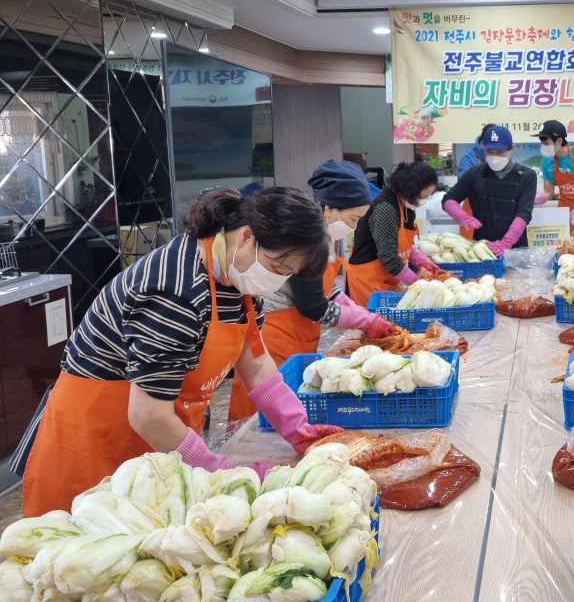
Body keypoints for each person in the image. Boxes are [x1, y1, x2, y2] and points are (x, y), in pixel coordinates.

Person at [19, 187, 344, 515]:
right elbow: (148, 415)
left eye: (288, 274)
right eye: (278, 267)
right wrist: (218, 471)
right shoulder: (177, 291)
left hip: (161, 443)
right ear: (246, 237)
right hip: (99, 443)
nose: (278, 280)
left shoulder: (237, 280)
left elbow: (257, 363)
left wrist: (297, 427)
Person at [227, 161, 395, 421]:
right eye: (354, 219)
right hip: (275, 336)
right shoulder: (305, 241)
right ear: (330, 208)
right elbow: (313, 305)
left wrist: (356, 310)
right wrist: (364, 320)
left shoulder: (326, 236)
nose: (354, 227)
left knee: (289, 415)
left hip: (298, 336)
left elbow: (326, 291)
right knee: (259, 424)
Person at [347, 160, 439, 307]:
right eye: (423, 196)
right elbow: (388, 257)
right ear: (410, 190)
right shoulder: (386, 208)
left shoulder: (407, 206)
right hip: (368, 280)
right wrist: (417, 283)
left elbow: (403, 244)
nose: (424, 201)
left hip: (388, 279)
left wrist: (423, 261)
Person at [440, 125, 538, 257]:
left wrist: (505, 243)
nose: (494, 157)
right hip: (481, 249)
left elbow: (523, 214)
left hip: (515, 250)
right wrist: (462, 216)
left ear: (512, 149)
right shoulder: (475, 173)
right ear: (482, 146)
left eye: (500, 152)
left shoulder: (527, 175)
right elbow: (449, 199)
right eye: (490, 152)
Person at [456, 122, 496, 238]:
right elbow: (465, 186)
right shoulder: (469, 159)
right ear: (483, 143)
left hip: (497, 216)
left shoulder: (502, 158)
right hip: (473, 215)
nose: (495, 153)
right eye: (491, 149)